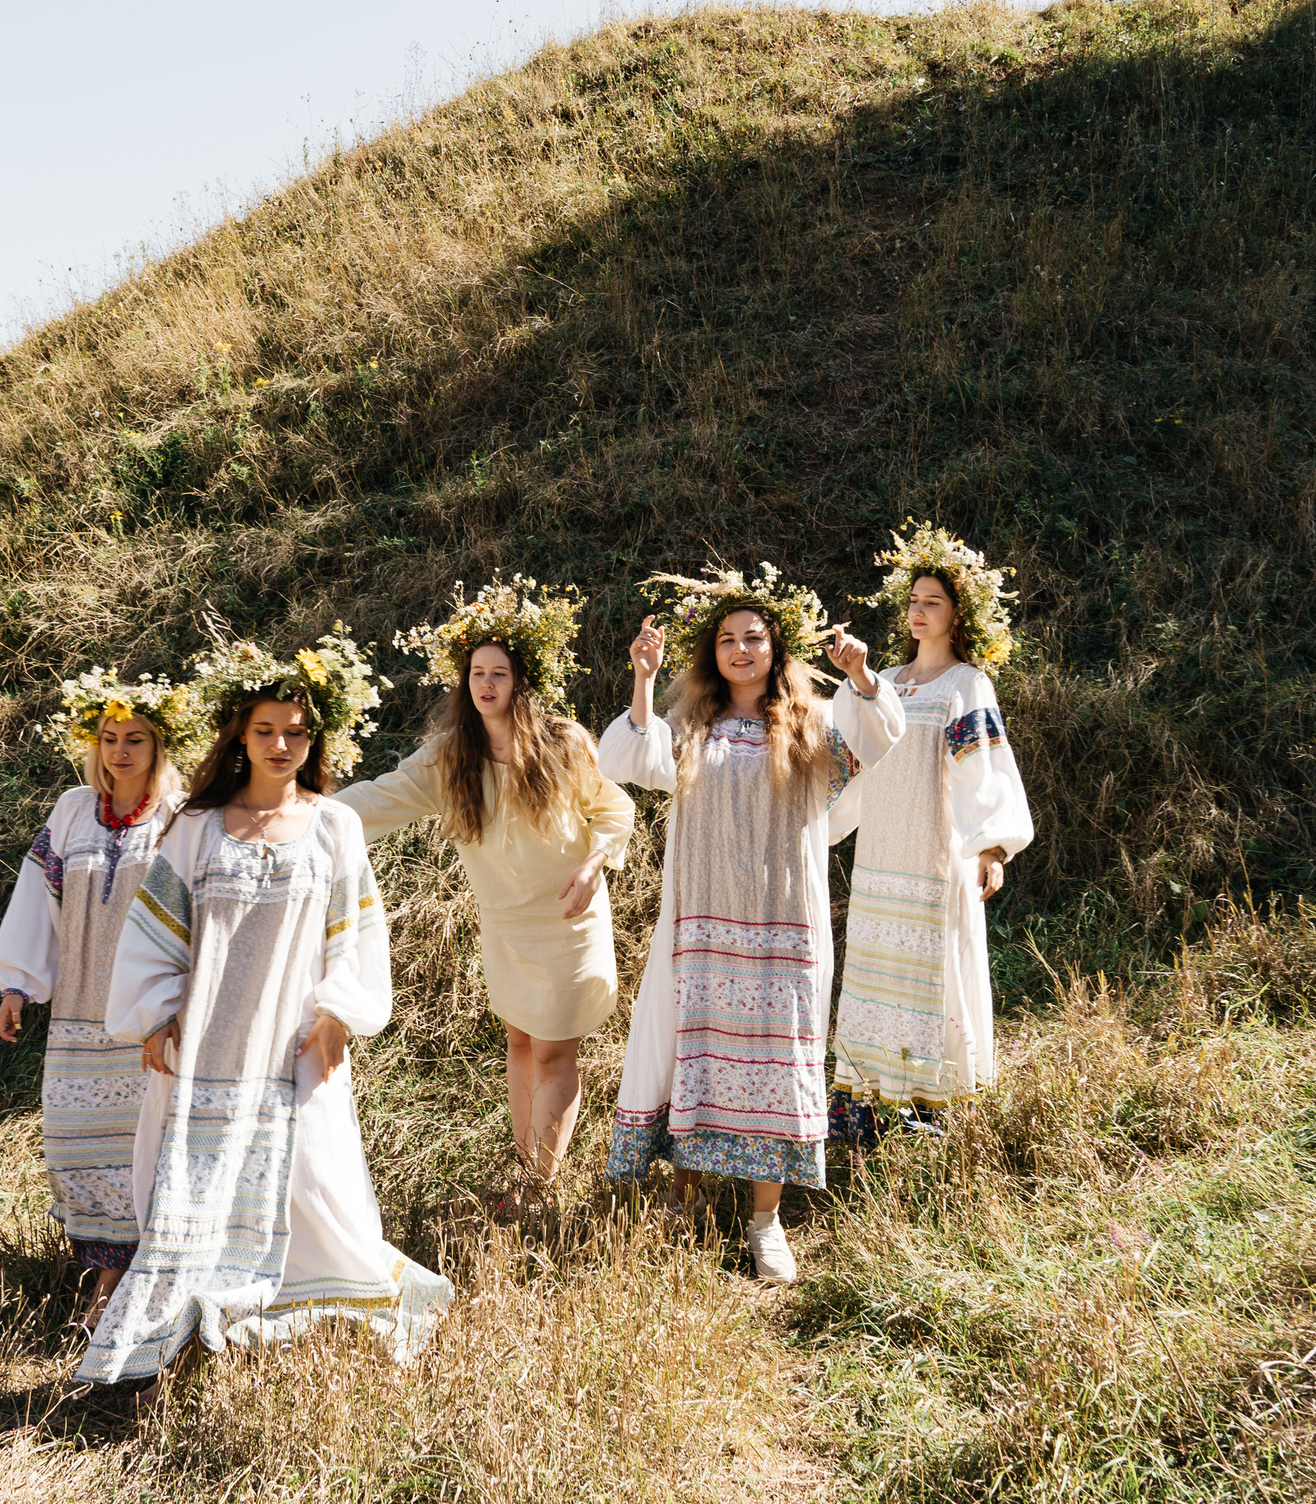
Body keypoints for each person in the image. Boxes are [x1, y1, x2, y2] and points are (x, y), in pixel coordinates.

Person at [76, 635, 453, 1384]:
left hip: (295, 1048)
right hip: (206, 1048)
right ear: (239, 738)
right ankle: (188, 1327)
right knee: (191, 1184)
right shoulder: (194, 828)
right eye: (266, 730)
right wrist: (154, 1015)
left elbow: (358, 932)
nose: (283, 744)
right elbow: (154, 934)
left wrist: (340, 1010)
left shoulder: (333, 825)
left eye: (297, 731)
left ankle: (317, 1311)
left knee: (315, 1187)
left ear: (316, 738)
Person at [598, 563, 904, 1284]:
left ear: (776, 647)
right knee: (694, 1052)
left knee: (777, 1057)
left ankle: (766, 1222)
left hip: (784, 925)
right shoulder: (691, 724)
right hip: (703, 924)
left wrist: (859, 676)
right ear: (712, 653)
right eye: (728, 639)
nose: (741, 649)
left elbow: (882, 742)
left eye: (754, 637)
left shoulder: (811, 721)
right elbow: (626, 761)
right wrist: (643, 677)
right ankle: (685, 1199)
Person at [339, 577, 634, 1197]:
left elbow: (614, 809)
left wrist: (594, 864)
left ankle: (536, 1184)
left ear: (521, 681)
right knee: (521, 1042)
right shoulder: (451, 756)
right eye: (477, 672)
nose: (486, 684)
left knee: (554, 1053)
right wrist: (303, 816)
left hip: (566, 922)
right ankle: (529, 1168)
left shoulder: (562, 744)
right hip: (505, 926)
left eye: (499, 672)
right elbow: (381, 797)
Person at [0, 668, 201, 1323]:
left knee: (145, 1147)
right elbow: (36, 899)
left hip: (146, 1013)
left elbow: (197, 908)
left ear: (158, 746)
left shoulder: (179, 818)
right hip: (80, 1014)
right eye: (110, 736)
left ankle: (129, 1290)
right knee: (78, 1144)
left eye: (136, 738)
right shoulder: (73, 811)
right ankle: (104, 1277)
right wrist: (17, 984)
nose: (121, 751)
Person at [828, 526, 1035, 1144]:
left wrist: (993, 846)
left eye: (933, 603)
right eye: (913, 601)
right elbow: (848, 762)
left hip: (933, 857)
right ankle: (864, 1111)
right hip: (878, 857)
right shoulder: (883, 680)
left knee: (931, 975)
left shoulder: (964, 685)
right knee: (872, 974)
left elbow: (986, 771)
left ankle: (926, 1118)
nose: (918, 612)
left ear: (958, 614)